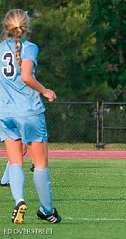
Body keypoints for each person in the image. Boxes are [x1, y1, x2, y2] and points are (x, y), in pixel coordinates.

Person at [0, 9, 61, 224]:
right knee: (40, 163)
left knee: (15, 161)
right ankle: (47, 210)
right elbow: (26, 76)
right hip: (29, 112)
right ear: (26, 27)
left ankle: (19, 200)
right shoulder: (29, 47)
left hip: (5, 113)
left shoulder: (0, 49)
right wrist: (45, 91)